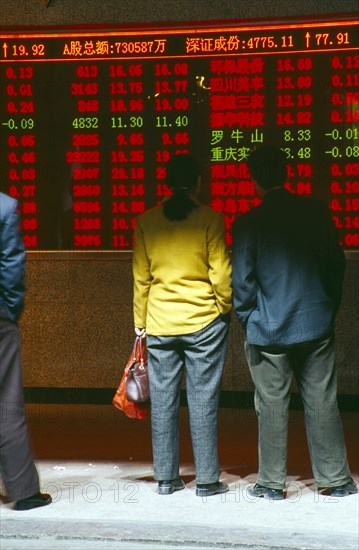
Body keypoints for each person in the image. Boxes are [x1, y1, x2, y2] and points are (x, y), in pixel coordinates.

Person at [231, 145, 357, 500]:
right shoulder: (317, 214)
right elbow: (336, 265)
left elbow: (242, 284)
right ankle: (335, 479)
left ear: (254, 180)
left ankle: (271, 483)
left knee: (270, 404)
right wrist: (327, 308)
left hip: (268, 329)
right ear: (287, 173)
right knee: (322, 399)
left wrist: (250, 319)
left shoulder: (248, 224)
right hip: (315, 323)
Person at [133, 154, 232, 497]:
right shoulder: (210, 218)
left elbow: (141, 279)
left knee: (162, 401)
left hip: (160, 322)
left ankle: (166, 478)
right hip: (204, 321)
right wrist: (224, 307)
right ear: (199, 183)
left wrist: (140, 323)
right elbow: (219, 272)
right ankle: (206, 480)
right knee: (203, 399)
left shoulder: (146, 221)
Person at [0, 191, 52, 510]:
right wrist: (9, 311)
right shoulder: (5, 206)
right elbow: (11, 268)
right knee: (6, 402)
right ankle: (22, 491)